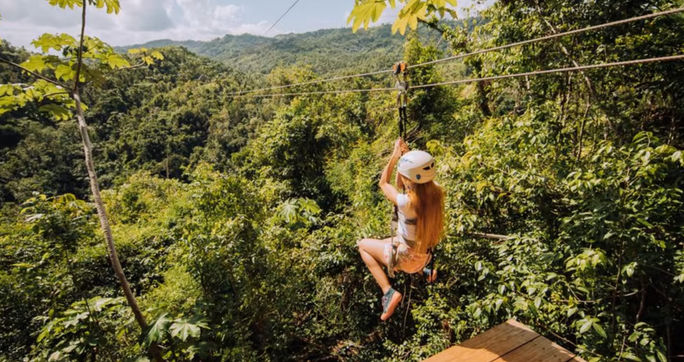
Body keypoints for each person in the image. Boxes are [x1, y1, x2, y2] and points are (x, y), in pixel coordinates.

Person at [357, 138, 445, 321]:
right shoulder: (437, 193)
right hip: (425, 258)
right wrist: (406, 158)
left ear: (408, 178)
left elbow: (383, 183)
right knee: (384, 243)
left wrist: (394, 156)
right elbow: (404, 183)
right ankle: (426, 272)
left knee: (363, 245)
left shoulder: (406, 203)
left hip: (407, 261)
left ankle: (388, 292)